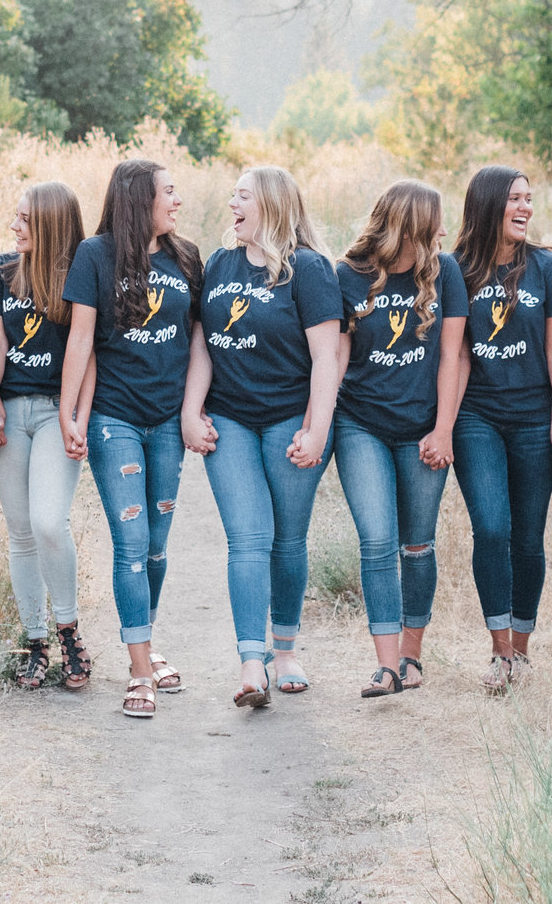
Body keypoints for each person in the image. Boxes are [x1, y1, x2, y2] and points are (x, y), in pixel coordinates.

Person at [184, 166, 346, 708]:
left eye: (243, 196)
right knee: (248, 538)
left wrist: (317, 429)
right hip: (229, 419)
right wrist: (191, 411)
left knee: (288, 539)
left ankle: (286, 651)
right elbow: (203, 343)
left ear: (272, 205)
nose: (232, 204)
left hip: (290, 420)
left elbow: (327, 358)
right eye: (232, 195)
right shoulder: (219, 263)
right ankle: (252, 663)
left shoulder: (309, 269)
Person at [60, 158, 202, 720]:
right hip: (114, 418)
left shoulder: (186, 257)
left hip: (167, 420)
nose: (177, 200)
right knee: (132, 541)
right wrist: (71, 412)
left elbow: (198, 338)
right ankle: (140, 669)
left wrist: (192, 411)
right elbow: (81, 339)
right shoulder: (95, 255)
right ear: (141, 198)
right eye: (169, 191)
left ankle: (144, 639)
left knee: (157, 546)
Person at [333, 179, 465, 697]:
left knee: (417, 545)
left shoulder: (445, 272)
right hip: (360, 423)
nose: (443, 229)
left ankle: (411, 655)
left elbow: (453, 355)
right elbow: (338, 355)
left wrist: (443, 429)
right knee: (377, 541)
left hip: (423, 428)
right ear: (410, 226)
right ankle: (386, 667)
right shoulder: (349, 274)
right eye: (435, 221)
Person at [448, 165, 552, 695]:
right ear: (488, 204)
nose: (525, 208)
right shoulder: (456, 269)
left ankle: (521, 650)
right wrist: (443, 425)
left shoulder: (547, 267)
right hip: (476, 416)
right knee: (492, 528)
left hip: (533, 417)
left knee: (527, 536)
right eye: (515, 199)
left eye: (529, 199)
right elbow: (456, 354)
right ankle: (500, 652)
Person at [0, 181, 92, 690]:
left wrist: (76, 416)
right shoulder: (1, 271)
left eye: (25, 218)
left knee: (48, 522)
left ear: (50, 223)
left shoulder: (80, 276)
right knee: (21, 530)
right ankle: (35, 640)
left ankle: (68, 629)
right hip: (11, 410)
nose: (14, 226)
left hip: (53, 412)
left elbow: (89, 353)